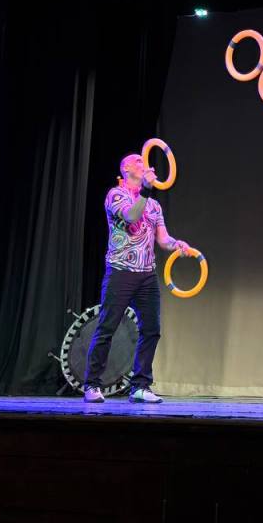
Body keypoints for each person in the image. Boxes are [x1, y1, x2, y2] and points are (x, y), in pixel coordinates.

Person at [83, 152, 188, 403]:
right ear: (126, 168)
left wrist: (177, 244)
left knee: (152, 330)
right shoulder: (116, 195)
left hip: (146, 275)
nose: (145, 164)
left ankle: (140, 386)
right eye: (139, 161)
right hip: (120, 271)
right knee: (107, 328)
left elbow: (163, 239)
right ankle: (91, 384)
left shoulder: (154, 205)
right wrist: (146, 191)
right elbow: (131, 216)